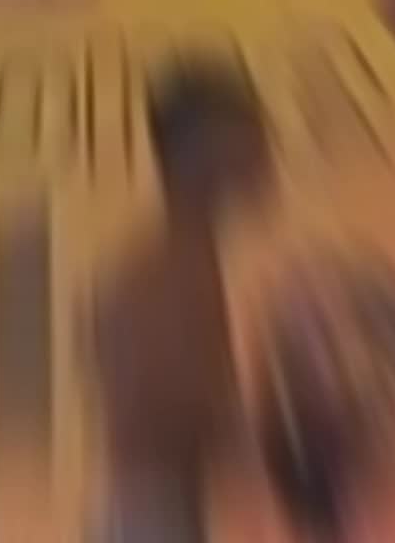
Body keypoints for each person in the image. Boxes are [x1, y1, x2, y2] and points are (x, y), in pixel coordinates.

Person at [91, 57, 278, 543]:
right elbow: (164, 406)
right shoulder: (161, 273)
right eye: (248, 140)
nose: (264, 159)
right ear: (196, 154)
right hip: (153, 516)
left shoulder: (190, 262)